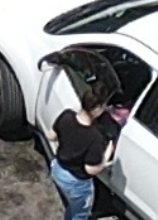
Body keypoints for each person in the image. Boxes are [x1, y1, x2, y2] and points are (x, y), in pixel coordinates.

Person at [46, 76, 117, 220]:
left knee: (72, 207)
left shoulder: (66, 115)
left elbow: (51, 136)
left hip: (58, 169)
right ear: (97, 109)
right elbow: (90, 169)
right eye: (104, 107)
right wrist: (107, 154)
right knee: (80, 214)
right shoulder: (95, 138)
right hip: (76, 183)